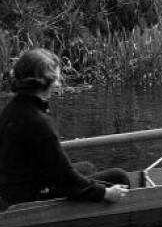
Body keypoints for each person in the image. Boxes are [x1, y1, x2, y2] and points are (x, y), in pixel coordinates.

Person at [0, 48, 129, 209]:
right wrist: (105, 193)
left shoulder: (11, 109)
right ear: (49, 81)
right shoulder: (39, 122)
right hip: (27, 198)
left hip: (11, 190)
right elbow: (65, 177)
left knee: (87, 167)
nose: (58, 83)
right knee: (120, 177)